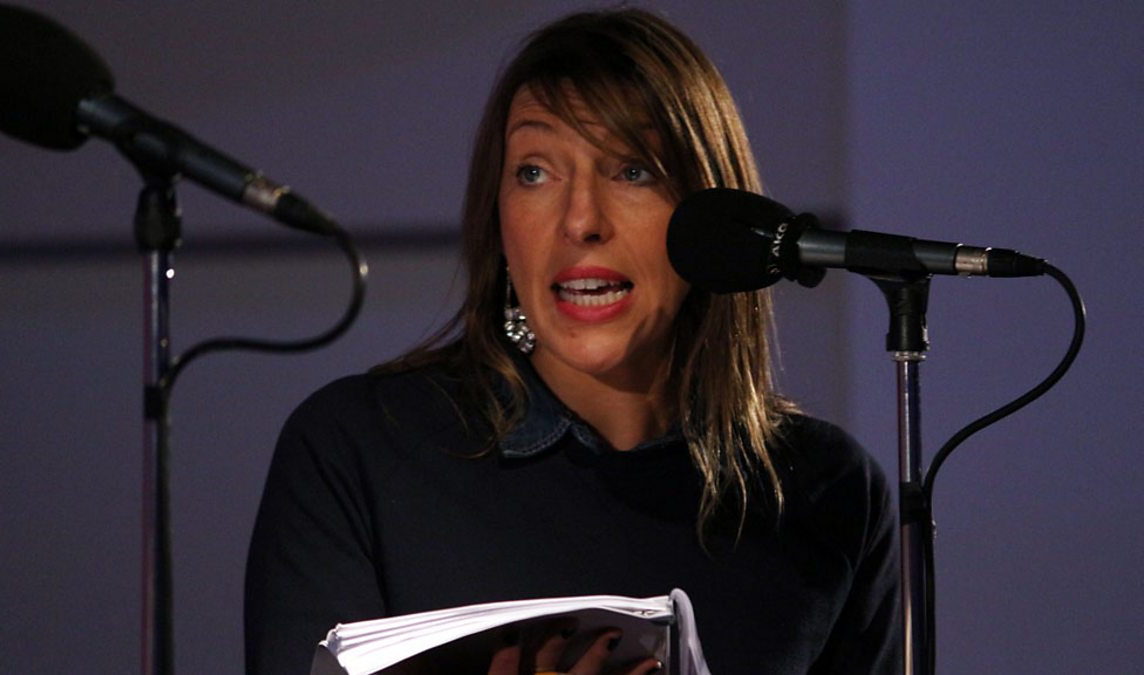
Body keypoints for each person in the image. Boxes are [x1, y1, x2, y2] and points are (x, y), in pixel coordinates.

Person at [245, 8, 900, 675]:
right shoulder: (359, 450)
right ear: (498, 220)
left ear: (711, 216)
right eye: (534, 172)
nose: (581, 220)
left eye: (633, 171)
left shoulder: (828, 493)